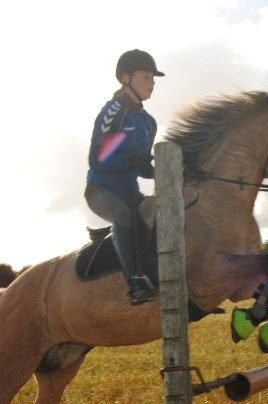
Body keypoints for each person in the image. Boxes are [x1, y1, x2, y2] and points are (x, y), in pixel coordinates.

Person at [84, 49, 164, 305]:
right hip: (101, 191)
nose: (152, 84)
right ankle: (136, 282)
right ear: (126, 78)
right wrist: (133, 160)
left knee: (155, 205)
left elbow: (141, 169)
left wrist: (164, 171)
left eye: (153, 79)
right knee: (123, 214)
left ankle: (115, 239)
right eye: (146, 77)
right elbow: (99, 159)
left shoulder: (148, 122)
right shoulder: (115, 112)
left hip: (131, 194)